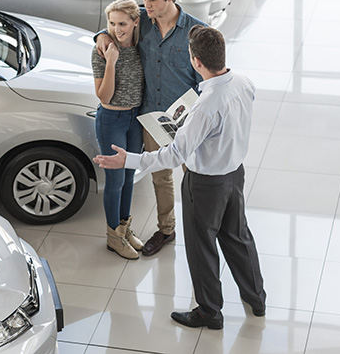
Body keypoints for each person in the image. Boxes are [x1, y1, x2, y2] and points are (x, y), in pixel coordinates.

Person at [94, 26, 266, 329]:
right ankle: (257, 297)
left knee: (202, 247)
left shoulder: (206, 106)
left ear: (196, 62)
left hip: (205, 184)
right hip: (234, 175)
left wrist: (129, 159)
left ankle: (210, 312)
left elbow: (175, 155)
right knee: (238, 236)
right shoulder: (243, 83)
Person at [95, 0, 206, 256]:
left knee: (194, 178)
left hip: (186, 121)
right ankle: (166, 230)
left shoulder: (195, 32)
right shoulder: (143, 21)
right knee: (160, 176)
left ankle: (201, 232)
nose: (146, 5)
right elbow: (116, 26)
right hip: (149, 117)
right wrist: (101, 37)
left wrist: (190, 113)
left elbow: (206, 81)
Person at [92, 0, 145, 259]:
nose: (117, 29)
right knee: (116, 180)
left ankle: (125, 228)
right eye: (111, 24)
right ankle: (113, 236)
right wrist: (111, 61)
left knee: (130, 176)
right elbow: (104, 96)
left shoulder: (142, 42)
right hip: (111, 120)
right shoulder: (102, 50)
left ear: (136, 22)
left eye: (123, 23)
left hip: (135, 119)